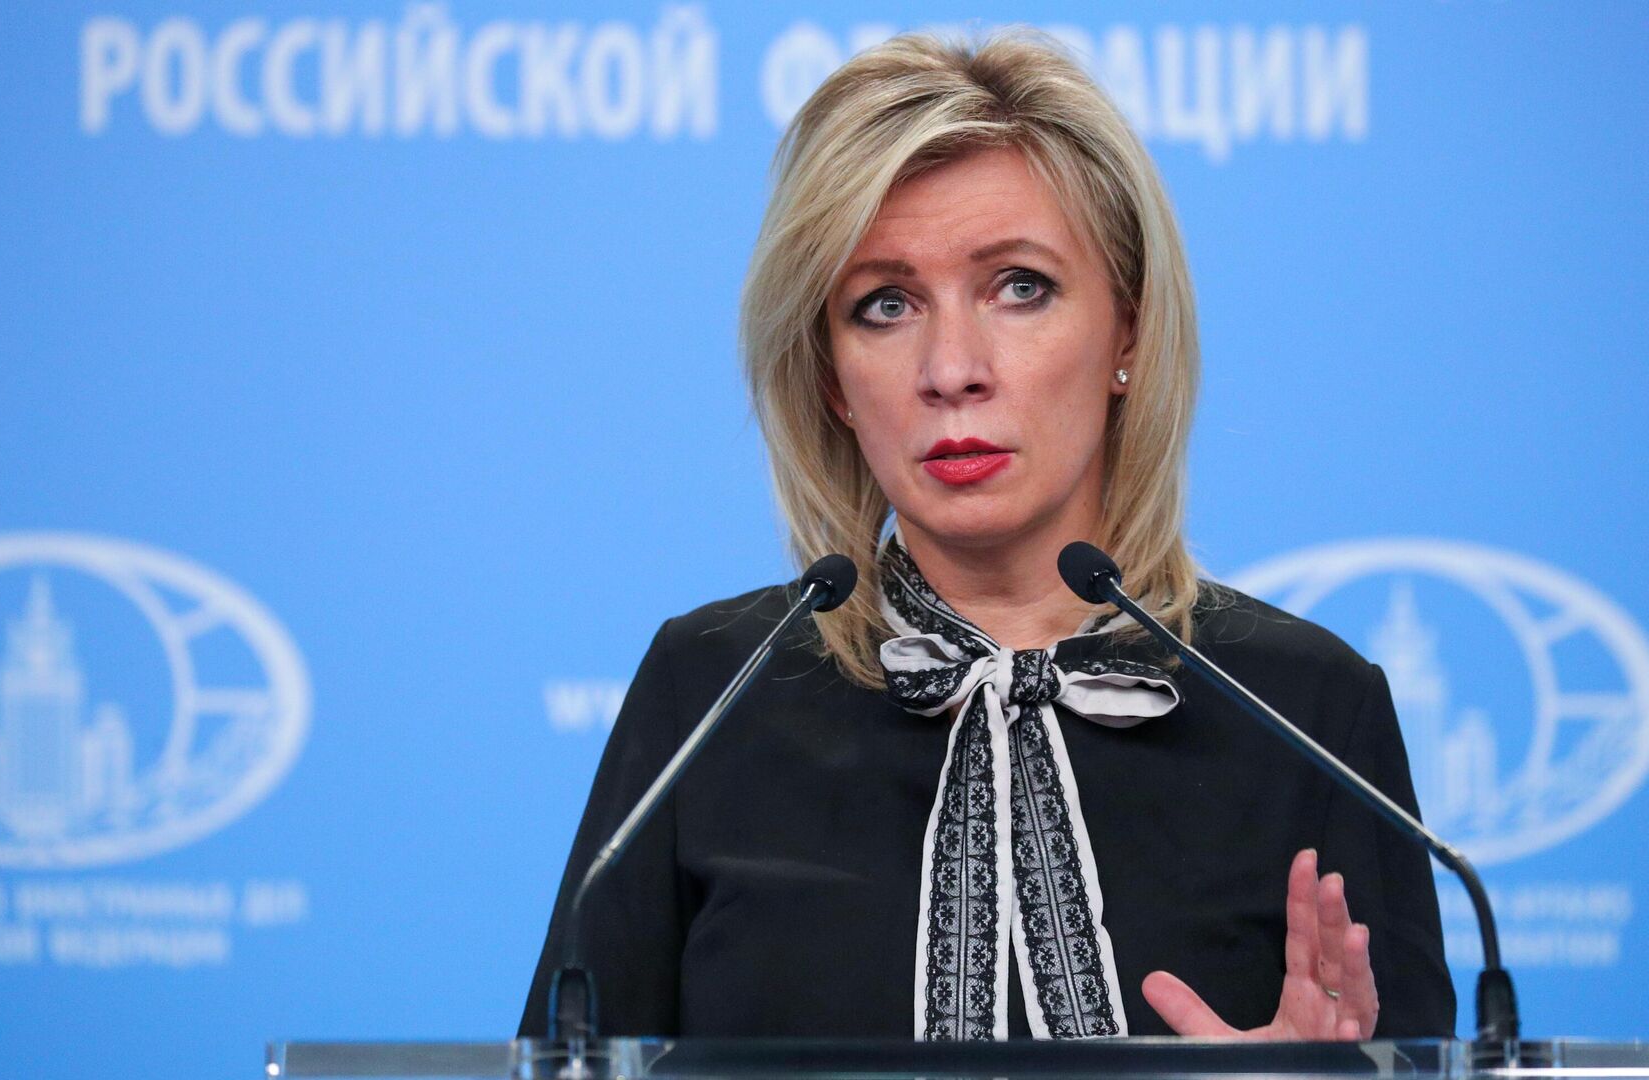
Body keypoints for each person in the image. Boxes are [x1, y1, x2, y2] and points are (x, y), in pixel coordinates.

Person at [520, 29, 1455, 1042]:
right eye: (885, 305)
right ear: (832, 378)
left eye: (1019, 287)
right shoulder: (709, 690)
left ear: (1128, 331)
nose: (951, 368)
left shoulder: (1308, 711)